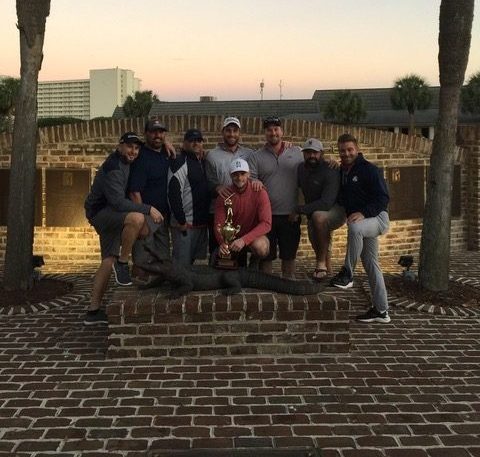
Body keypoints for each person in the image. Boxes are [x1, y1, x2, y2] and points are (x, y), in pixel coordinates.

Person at [84, 132, 162, 325]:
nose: (133, 152)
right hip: (101, 213)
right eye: (129, 147)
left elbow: (154, 147)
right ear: (119, 146)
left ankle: (92, 312)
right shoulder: (114, 168)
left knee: (106, 260)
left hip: (110, 213)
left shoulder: (128, 161)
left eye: (136, 148)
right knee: (137, 219)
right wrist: (149, 209)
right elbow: (118, 203)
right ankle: (123, 263)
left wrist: (167, 143)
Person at [329, 133, 391, 324]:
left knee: (354, 227)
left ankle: (347, 274)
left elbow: (383, 198)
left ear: (357, 149)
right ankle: (382, 311)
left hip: (377, 219)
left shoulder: (370, 170)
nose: (346, 153)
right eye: (342, 151)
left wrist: (364, 213)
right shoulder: (342, 171)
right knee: (372, 264)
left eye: (350, 149)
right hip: (365, 224)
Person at [248, 116, 303, 278]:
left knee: (289, 256)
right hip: (266, 216)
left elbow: (313, 167)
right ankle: (268, 290)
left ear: (282, 131)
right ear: (265, 133)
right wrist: (255, 180)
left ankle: (288, 286)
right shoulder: (256, 156)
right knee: (267, 257)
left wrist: (333, 163)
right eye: (269, 130)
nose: (273, 132)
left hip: (290, 214)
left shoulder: (297, 152)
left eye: (276, 129)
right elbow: (248, 179)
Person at [128, 119, 175, 278]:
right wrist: (141, 220)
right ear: (146, 134)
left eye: (161, 132)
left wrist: (166, 143)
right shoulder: (140, 156)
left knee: (163, 261)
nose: (158, 135)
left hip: (162, 217)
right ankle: (135, 299)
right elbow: (134, 192)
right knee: (142, 262)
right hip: (147, 217)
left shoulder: (165, 153)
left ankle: (159, 297)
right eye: (154, 131)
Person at [205, 116, 256, 257]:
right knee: (218, 252)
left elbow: (255, 175)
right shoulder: (212, 155)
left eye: (235, 130)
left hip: (241, 210)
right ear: (223, 132)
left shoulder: (249, 154)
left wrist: (289, 145)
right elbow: (207, 182)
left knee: (239, 254)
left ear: (239, 133)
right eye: (228, 130)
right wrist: (217, 187)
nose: (232, 134)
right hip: (218, 209)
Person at [296, 138, 345, 280]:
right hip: (314, 210)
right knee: (316, 241)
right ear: (304, 154)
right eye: (308, 152)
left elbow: (326, 203)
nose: (312, 156)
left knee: (319, 217)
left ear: (321, 153)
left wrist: (299, 209)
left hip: (336, 210)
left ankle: (321, 264)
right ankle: (326, 271)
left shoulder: (331, 169)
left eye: (315, 153)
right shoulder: (301, 168)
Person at [214, 158, 271, 266]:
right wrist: (222, 243)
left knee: (261, 247)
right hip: (232, 238)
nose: (239, 178)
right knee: (223, 258)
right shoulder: (224, 196)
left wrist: (244, 240)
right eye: (235, 174)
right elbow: (219, 224)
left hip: (253, 236)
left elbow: (266, 224)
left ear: (249, 174)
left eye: (242, 174)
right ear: (231, 176)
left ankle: (254, 261)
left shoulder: (260, 192)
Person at [168, 128, 210, 266]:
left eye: (199, 140)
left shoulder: (203, 162)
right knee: (181, 264)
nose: (196, 143)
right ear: (184, 143)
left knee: (193, 264)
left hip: (200, 223)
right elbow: (173, 193)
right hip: (185, 224)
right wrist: (181, 221)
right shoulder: (179, 162)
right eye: (192, 141)